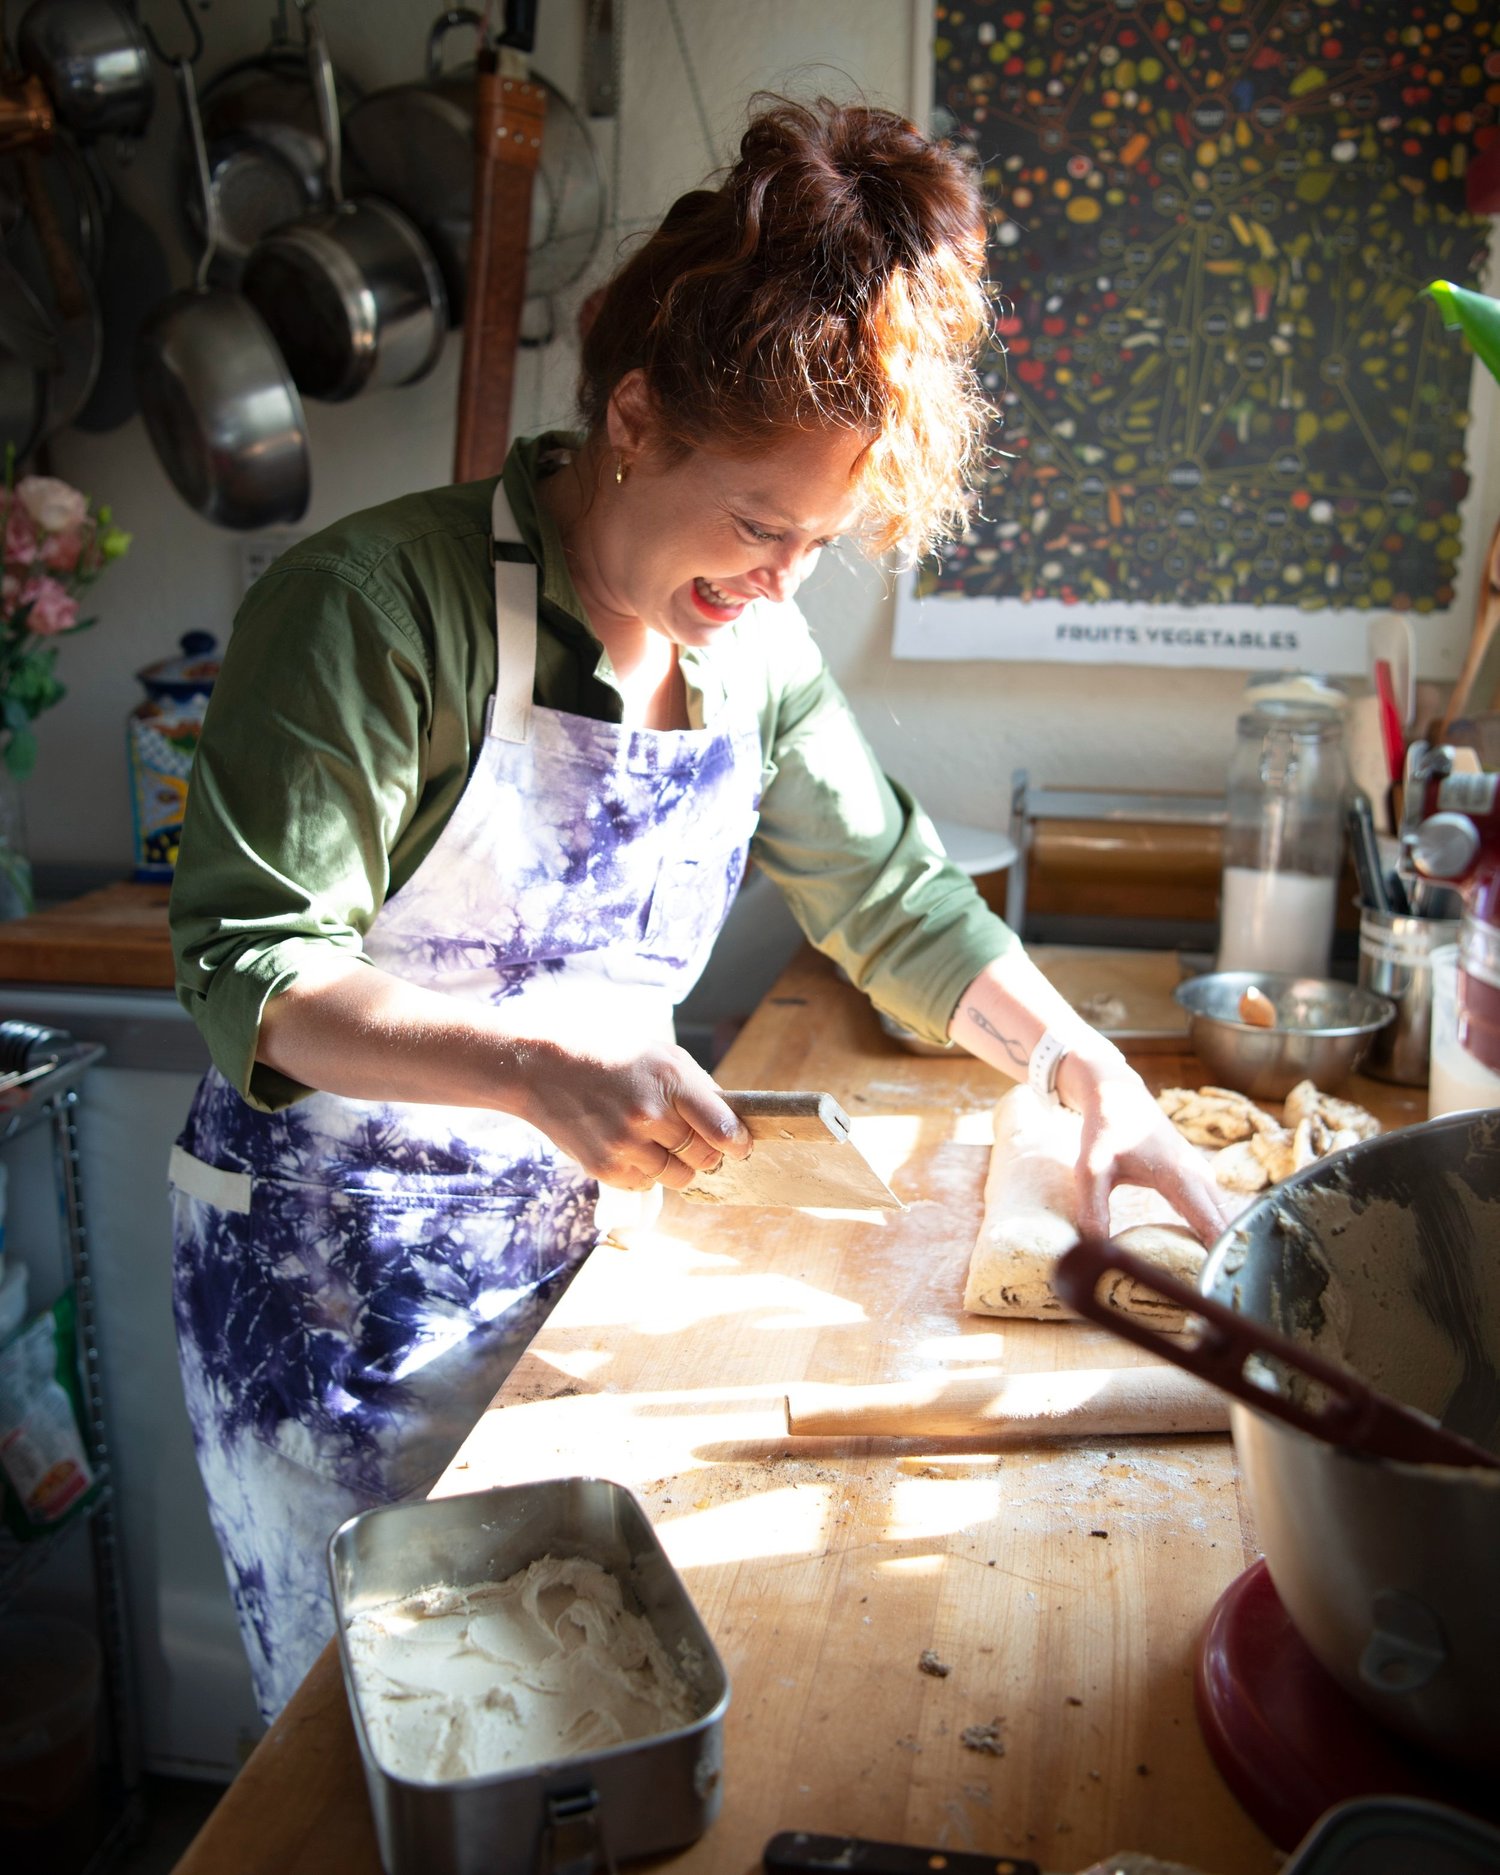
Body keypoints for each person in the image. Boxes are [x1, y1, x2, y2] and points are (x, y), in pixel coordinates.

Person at [167, 93, 1232, 1721]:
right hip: (335, 1295)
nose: (778, 584)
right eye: (756, 524)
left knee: (583, 1724)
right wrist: (535, 1065)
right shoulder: (374, 611)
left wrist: (1086, 1065)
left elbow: (888, 893)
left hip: (587, 1270)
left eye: (819, 545)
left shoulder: (756, 655)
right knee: (386, 1745)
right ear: (638, 418)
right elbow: (257, 976)